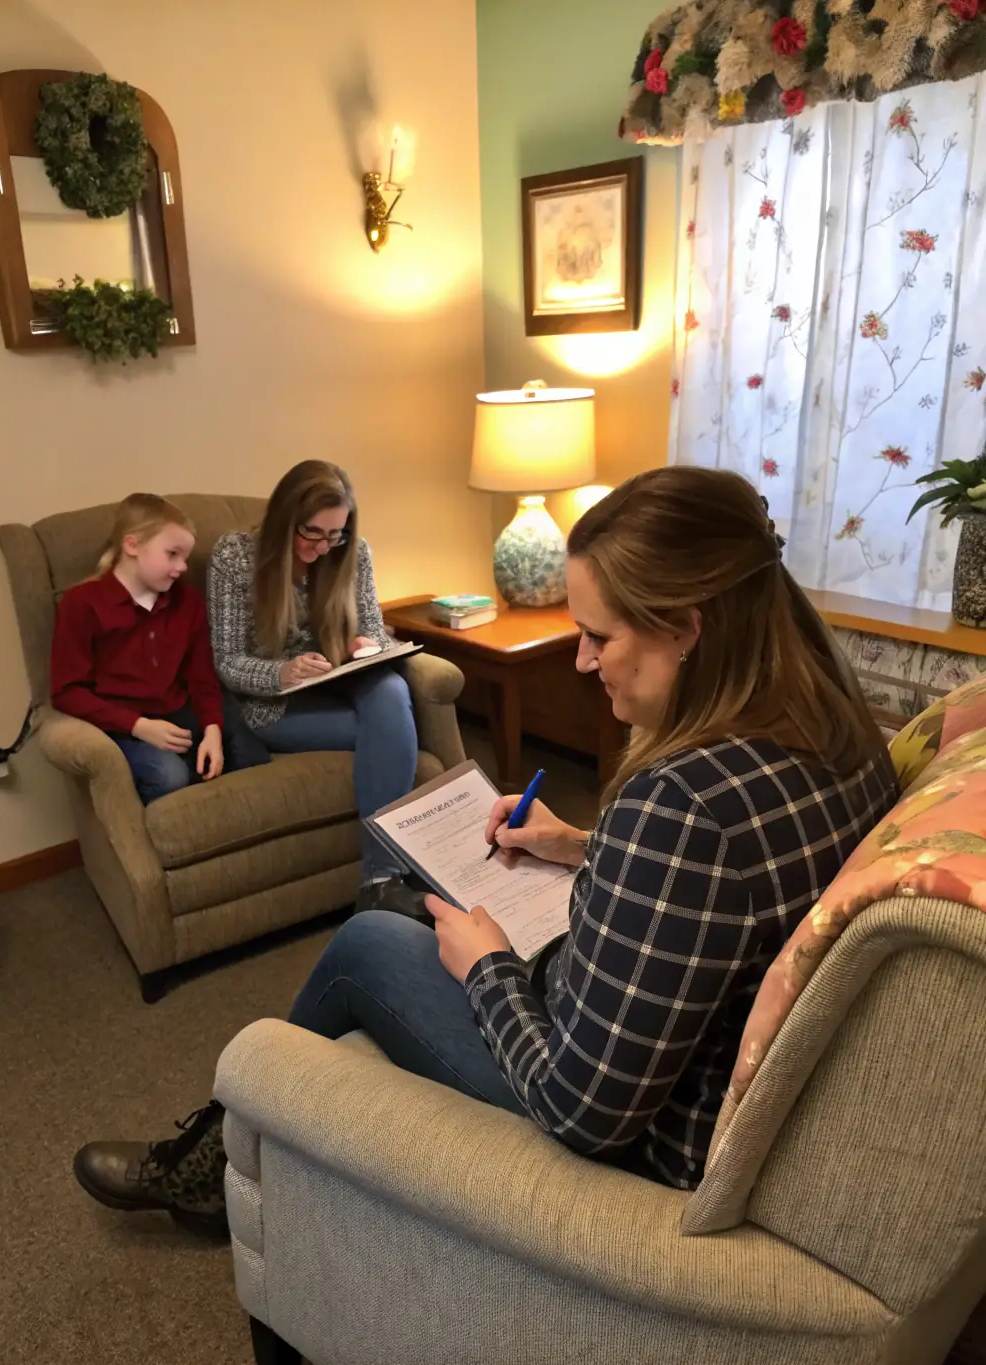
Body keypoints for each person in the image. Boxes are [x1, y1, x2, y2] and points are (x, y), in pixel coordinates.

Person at [72, 466, 899, 1231]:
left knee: (367, 941)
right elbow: (723, 888)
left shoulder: (683, 802)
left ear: (687, 627)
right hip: (669, 1038)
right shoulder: (838, 727)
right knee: (406, 897)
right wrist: (580, 844)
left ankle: (211, 1166)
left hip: (645, 1137)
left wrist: (490, 965)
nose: (581, 660)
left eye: (599, 637)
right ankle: (235, 1135)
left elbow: (582, 1110)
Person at [206, 460, 420, 916]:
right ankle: (390, 875)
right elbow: (227, 662)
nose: (324, 547)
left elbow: (376, 631)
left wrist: (367, 645)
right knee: (389, 732)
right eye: (313, 533)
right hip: (274, 706)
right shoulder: (234, 557)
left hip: (340, 683)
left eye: (335, 534)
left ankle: (380, 879)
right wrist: (281, 674)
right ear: (286, 518)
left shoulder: (352, 552)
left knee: (391, 692)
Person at [51, 493, 269, 804]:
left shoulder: (188, 602)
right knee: (168, 776)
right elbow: (66, 692)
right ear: (132, 545)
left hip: (180, 712)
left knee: (251, 755)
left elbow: (202, 678)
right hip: (123, 724)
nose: (181, 567)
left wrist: (212, 730)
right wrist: (138, 727)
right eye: (172, 554)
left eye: (185, 557)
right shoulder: (81, 604)